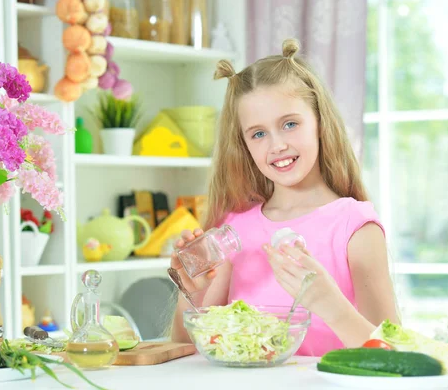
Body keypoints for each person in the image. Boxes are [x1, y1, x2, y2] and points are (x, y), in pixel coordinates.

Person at [169, 39, 399, 356]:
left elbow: (393, 356)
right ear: (244, 144)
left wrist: (327, 304)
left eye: (290, 124)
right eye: (258, 133)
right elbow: (184, 352)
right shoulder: (232, 232)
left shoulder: (355, 228)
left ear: (319, 123)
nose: (276, 145)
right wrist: (191, 291)